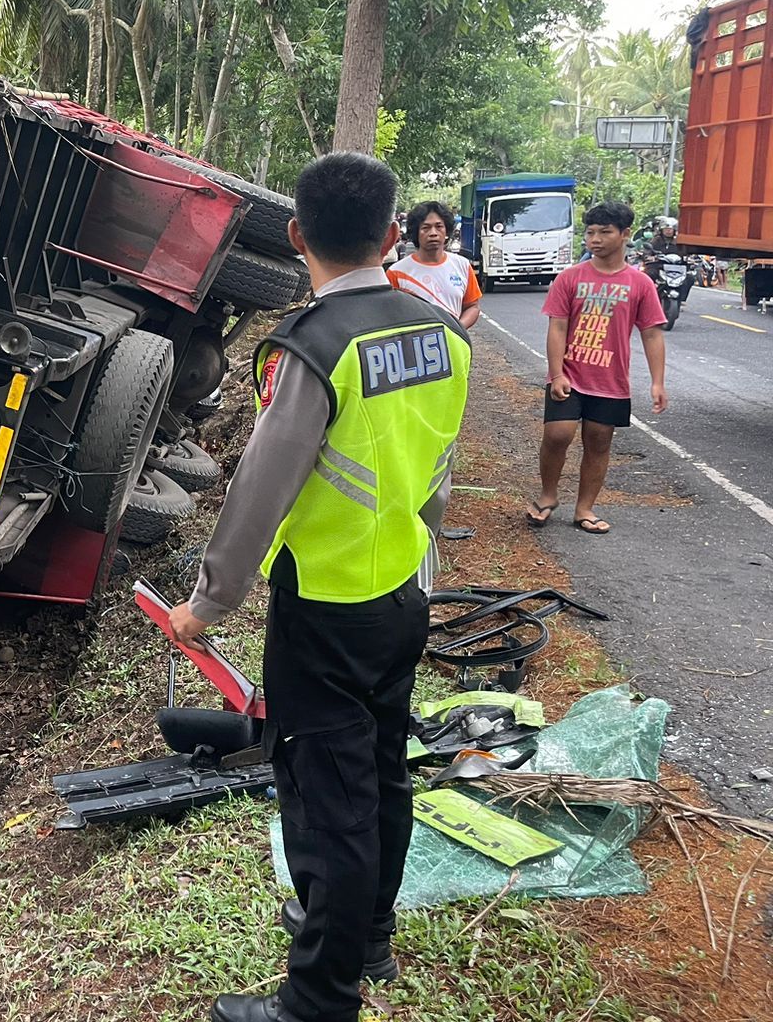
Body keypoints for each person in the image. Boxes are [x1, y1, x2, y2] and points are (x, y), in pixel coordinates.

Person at [166, 153, 471, 1022]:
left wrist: (208, 604)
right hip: (404, 590)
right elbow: (435, 471)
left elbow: (262, 487)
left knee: (327, 796)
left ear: (297, 235)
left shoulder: (313, 347)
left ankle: (319, 999)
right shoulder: (441, 335)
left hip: (327, 607)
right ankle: (366, 935)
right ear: (390, 236)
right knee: (381, 768)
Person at [528, 202, 668, 535]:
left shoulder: (640, 284)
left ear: (625, 235)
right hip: (570, 375)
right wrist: (556, 373)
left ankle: (585, 508)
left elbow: (651, 333)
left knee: (599, 441)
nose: (596, 239)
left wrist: (657, 382)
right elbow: (557, 328)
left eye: (605, 232)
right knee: (557, 434)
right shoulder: (570, 278)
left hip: (611, 380)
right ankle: (548, 496)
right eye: (591, 232)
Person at [386, 200, 482, 328]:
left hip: (455, 345)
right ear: (416, 233)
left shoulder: (462, 265)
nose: (433, 233)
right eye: (426, 228)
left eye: (439, 226)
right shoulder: (396, 272)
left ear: (446, 231)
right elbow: (389, 317)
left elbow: (472, 306)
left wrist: (457, 330)